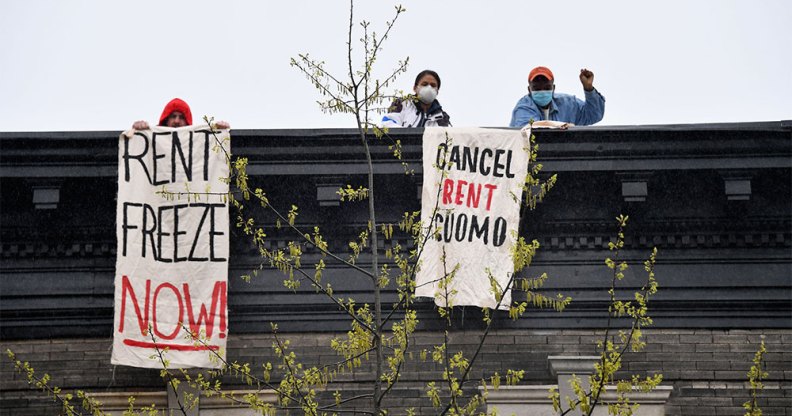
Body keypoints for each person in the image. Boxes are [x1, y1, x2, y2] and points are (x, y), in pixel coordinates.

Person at [509, 66, 605, 128]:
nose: (542, 91)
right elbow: (530, 130)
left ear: (553, 88)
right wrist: (563, 126)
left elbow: (594, 115)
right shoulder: (523, 107)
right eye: (536, 88)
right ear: (529, 90)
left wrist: (588, 88)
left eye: (547, 87)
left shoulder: (569, 104)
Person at [382, 70, 451, 127]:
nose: (429, 88)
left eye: (433, 85)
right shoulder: (402, 104)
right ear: (415, 88)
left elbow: (445, 139)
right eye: (424, 84)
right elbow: (387, 124)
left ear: (437, 92)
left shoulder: (442, 117)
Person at [131, 98, 229, 130]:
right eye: (173, 116)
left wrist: (220, 132)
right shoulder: (153, 140)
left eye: (181, 117)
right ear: (166, 120)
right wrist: (139, 133)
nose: (177, 121)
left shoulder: (197, 143)